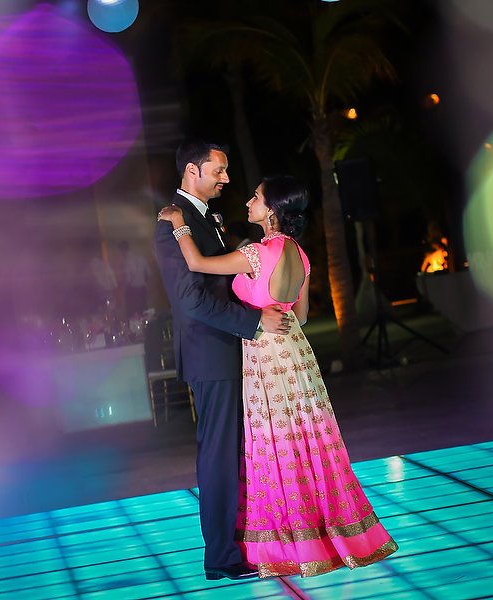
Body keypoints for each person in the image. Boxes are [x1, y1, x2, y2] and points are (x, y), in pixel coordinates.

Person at [158, 175, 398, 578]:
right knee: (308, 440)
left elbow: (197, 264)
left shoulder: (255, 252)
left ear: (270, 209)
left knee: (273, 446)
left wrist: (178, 222)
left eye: (255, 197)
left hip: (264, 355)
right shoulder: (301, 255)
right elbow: (300, 316)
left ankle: (287, 543)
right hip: (296, 353)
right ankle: (328, 535)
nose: (247, 201)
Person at [153, 140, 291, 581]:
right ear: (193, 171)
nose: (227, 179)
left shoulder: (203, 218)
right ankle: (221, 557)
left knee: (234, 451)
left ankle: (241, 542)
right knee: (218, 453)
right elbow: (190, 299)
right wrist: (253, 324)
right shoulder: (170, 222)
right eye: (220, 170)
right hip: (209, 351)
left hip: (228, 345)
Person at [118, 240, 151, 317]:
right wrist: (142, 282)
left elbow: (128, 279)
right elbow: (148, 273)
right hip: (142, 289)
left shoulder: (127, 260)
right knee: (144, 313)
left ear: (122, 250)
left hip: (132, 291)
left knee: (132, 315)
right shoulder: (141, 257)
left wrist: (120, 285)